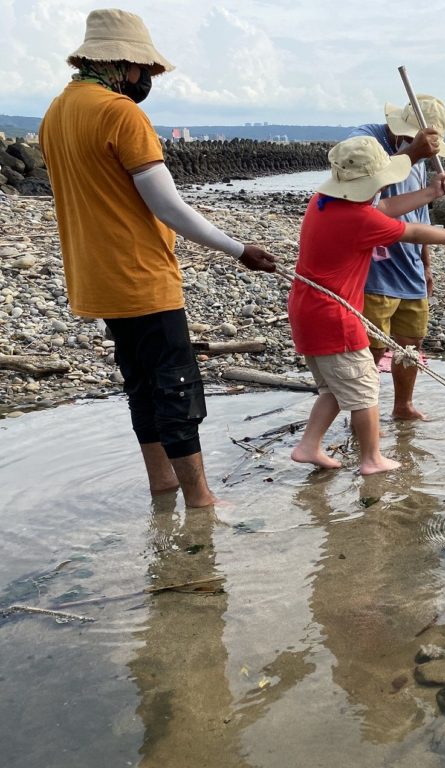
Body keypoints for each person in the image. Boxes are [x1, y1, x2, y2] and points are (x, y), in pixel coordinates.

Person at [39, 9, 276, 509]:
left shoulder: (56, 112)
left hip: (96, 277)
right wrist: (240, 250)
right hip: (141, 276)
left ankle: (161, 486)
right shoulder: (121, 113)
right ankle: (202, 500)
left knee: (142, 386)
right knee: (177, 389)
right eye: (144, 69)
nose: (147, 78)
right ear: (125, 63)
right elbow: (167, 206)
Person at [288, 136, 445, 474]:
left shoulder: (323, 202)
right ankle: (371, 458)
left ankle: (308, 445)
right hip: (335, 316)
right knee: (364, 387)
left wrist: (431, 193)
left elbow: (384, 208)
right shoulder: (359, 222)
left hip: (305, 311)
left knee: (335, 387)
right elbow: (412, 232)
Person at [349, 96, 445, 419]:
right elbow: (364, 187)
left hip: (409, 262)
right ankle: (365, 416)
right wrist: (411, 152)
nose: (417, 147)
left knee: (411, 340)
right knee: (373, 345)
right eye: (411, 140)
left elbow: (421, 214)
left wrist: (426, 263)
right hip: (376, 263)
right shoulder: (367, 138)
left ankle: (403, 406)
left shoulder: (423, 159)